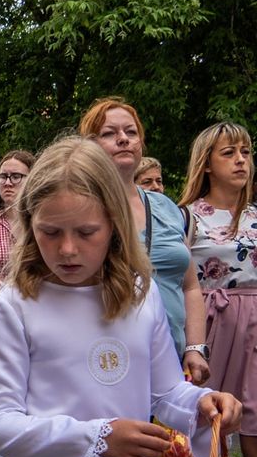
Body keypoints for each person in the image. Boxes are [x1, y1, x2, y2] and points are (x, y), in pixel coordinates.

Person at [0, 136, 241, 457]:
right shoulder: (14, 306)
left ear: (115, 224)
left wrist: (200, 404)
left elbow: (163, 391)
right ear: (28, 224)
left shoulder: (142, 296)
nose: (67, 250)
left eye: (86, 232)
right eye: (50, 232)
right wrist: (97, 438)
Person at [79, 98, 207, 382]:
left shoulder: (166, 207)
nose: (123, 139)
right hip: (107, 363)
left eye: (131, 132)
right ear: (89, 146)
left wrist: (195, 348)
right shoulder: (78, 209)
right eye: (109, 133)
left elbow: (190, 286)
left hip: (173, 363)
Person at [180, 121, 257, 457]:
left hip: (254, 327)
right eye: (229, 153)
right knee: (206, 421)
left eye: (246, 152)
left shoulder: (255, 215)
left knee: (254, 420)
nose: (240, 160)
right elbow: (178, 280)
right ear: (207, 164)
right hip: (211, 323)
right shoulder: (188, 217)